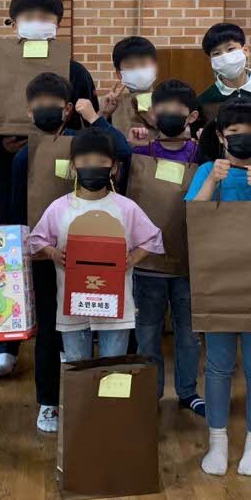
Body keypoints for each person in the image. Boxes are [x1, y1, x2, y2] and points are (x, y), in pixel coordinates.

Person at [0, 72, 131, 426]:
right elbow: (15, 211)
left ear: (68, 108)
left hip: (92, 253)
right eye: (38, 105)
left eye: (53, 104)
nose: (46, 110)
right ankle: (48, 401)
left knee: (91, 326)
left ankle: (100, 403)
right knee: (49, 329)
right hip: (44, 257)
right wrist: (21, 255)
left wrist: (96, 118)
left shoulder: (82, 143)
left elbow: (123, 153)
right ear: (29, 111)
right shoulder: (24, 155)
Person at [185, 100, 251, 477]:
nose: (242, 138)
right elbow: (192, 219)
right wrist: (211, 182)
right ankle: (217, 441)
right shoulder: (206, 170)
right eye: (234, 133)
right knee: (217, 365)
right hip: (217, 279)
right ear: (220, 136)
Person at [27, 127, 163, 360]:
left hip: (116, 306)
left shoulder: (125, 207)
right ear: (73, 167)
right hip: (72, 306)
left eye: (101, 162)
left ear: (114, 167)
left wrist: (132, 258)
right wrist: (53, 253)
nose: (93, 166)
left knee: (113, 367)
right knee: (76, 366)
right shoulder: (60, 207)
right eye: (85, 161)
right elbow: (35, 240)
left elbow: (153, 238)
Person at [0, 0, 98, 225]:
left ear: (57, 25)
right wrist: (2, 147)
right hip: (10, 172)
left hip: (63, 173)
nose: (37, 22)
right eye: (29, 17)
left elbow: (89, 128)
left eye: (44, 17)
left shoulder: (75, 72)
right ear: (14, 25)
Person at [126, 79, 205, 417]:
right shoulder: (140, 151)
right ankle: (151, 392)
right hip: (147, 263)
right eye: (163, 109)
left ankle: (188, 391)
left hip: (189, 263)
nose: (170, 114)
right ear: (152, 113)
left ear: (193, 116)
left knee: (189, 335)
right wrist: (130, 146)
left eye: (178, 110)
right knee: (147, 333)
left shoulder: (202, 155)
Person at [196, 22, 251, 113]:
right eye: (216, 53)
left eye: (230, 49)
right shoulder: (205, 99)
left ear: (245, 51)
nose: (225, 58)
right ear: (211, 60)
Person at [99, 36, 159, 130]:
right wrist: (104, 114)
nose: (138, 71)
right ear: (119, 74)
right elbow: (95, 135)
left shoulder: (168, 99)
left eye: (143, 64)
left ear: (155, 67)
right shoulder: (114, 104)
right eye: (130, 66)